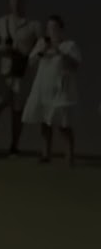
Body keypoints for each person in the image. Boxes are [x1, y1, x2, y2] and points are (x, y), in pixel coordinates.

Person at [0, 0, 40, 156]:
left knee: (17, 111)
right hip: (5, 73)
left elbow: (41, 45)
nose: (16, 4)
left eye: (19, 1)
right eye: (13, 0)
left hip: (22, 73)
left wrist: (29, 55)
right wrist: (1, 48)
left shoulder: (33, 25)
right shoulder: (2, 22)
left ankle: (14, 146)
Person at [22, 15, 81, 166]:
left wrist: (58, 51)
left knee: (63, 125)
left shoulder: (69, 45)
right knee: (45, 123)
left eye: (54, 28)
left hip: (60, 91)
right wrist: (42, 50)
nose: (51, 31)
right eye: (48, 28)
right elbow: (31, 61)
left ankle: (69, 157)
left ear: (61, 29)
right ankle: (45, 154)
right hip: (43, 89)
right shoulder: (42, 43)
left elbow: (75, 64)